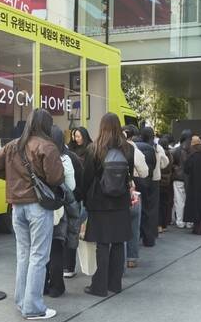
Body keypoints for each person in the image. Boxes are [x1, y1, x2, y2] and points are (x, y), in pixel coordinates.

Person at [0, 109, 64, 320]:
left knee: (23, 255)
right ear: (46, 125)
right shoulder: (47, 146)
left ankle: (22, 302)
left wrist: (13, 179)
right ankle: (33, 308)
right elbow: (56, 178)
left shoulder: (13, 145)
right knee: (39, 256)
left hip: (17, 207)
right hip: (38, 207)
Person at [82, 113, 134, 296]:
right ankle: (115, 284)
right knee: (118, 243)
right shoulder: (128, 149)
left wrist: (83, 199)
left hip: (99, 202)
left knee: (102, 245)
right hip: (121, 202)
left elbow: (87, 178)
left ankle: (99, 286)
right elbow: (129, 176)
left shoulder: (93, 148)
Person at [44, 125, 76, 298]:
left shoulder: (37, 155)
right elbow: (71, 186)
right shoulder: (64, 159)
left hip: (38, 208)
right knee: (56, 248)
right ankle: (56, 287)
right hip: (57, 209)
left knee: (40, 250)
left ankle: (41, 285)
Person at [64, 126, 92, 278]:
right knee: (71, 227)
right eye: (75, 136)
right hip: (74, 194)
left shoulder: (89, 150)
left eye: (79, 136)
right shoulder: (71, 151)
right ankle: (68, 266)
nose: (76, 139)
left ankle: (68, 266)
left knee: (73, 226)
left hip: (78, 193)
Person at [122, 125, 149, 268]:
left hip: (114, 193)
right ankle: (131, 258)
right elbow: (144, 172)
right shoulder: (135, 151)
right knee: (133, 224)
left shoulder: (111, 148)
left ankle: (119, 259)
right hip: (132, 191)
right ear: (132, 136)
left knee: (119, 226)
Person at [171, 130, 193, 228]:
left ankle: (180, 221)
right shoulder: (193, 150)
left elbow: (171, 163)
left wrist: (176, 168)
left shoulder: (176, 150)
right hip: (190, 178)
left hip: (178, 178)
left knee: (179, 200)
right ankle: (189, 221)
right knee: (190, 200)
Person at [158, 135, 174, 233]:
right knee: (165, 204)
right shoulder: (171, 155)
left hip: (159, 181)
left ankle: (159, 225)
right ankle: (164, 225)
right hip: (168, 181)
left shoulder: (160, 154)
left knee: (159, 204)